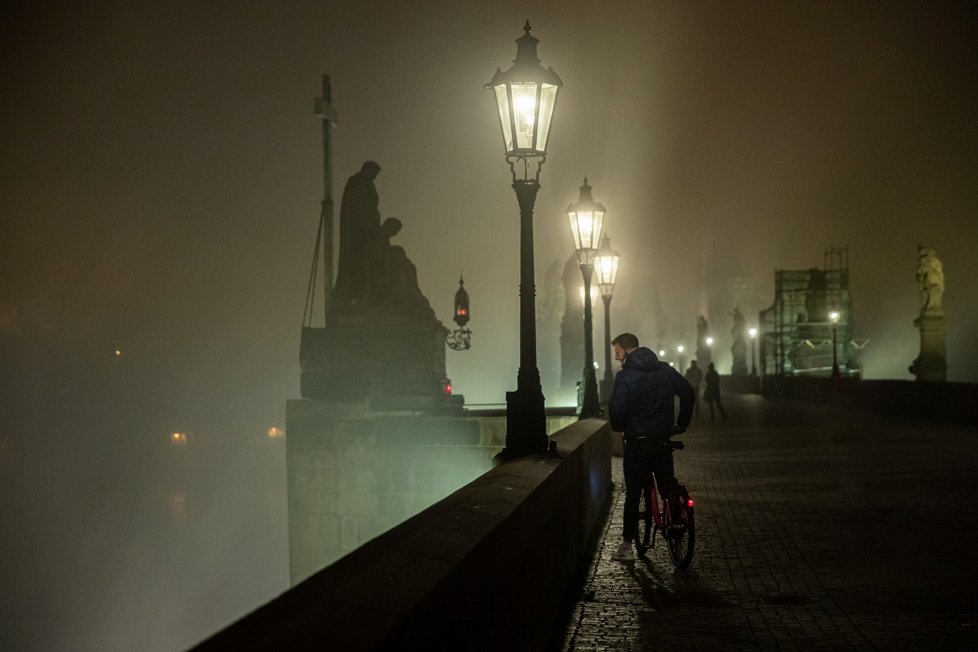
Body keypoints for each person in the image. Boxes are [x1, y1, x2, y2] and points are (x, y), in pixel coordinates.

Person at [609, 332, 695, 562]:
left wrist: (620, 426)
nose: (617, 358)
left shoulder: (625, 376)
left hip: (637, 443)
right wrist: (681, 423)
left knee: (633, 494)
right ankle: (676, 522)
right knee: (667, 487)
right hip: (662, 440)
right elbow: (688, 393)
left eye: (617, 352)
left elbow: (617, 412)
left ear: (627, 349)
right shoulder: (665, 370)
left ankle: (627, 548)